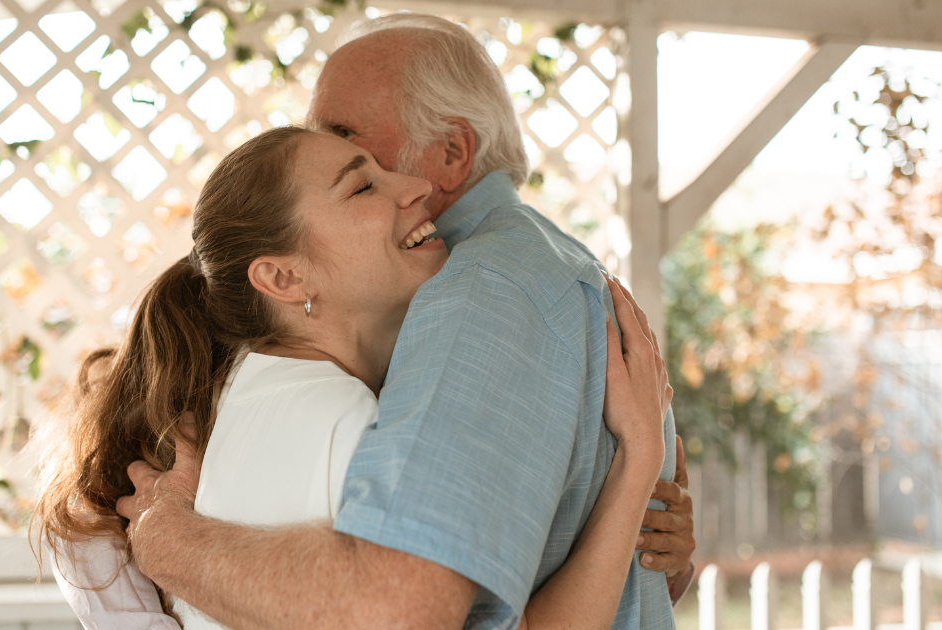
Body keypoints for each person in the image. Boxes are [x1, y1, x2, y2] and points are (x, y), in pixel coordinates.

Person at [112, 13, 695, 630]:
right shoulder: (551, 269)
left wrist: (165, 540)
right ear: (281, 278)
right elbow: (641, 577)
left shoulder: (479, 293)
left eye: (348, 139)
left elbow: (401, 608)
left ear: (452, 153)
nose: (324, 149)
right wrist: (639, 481)